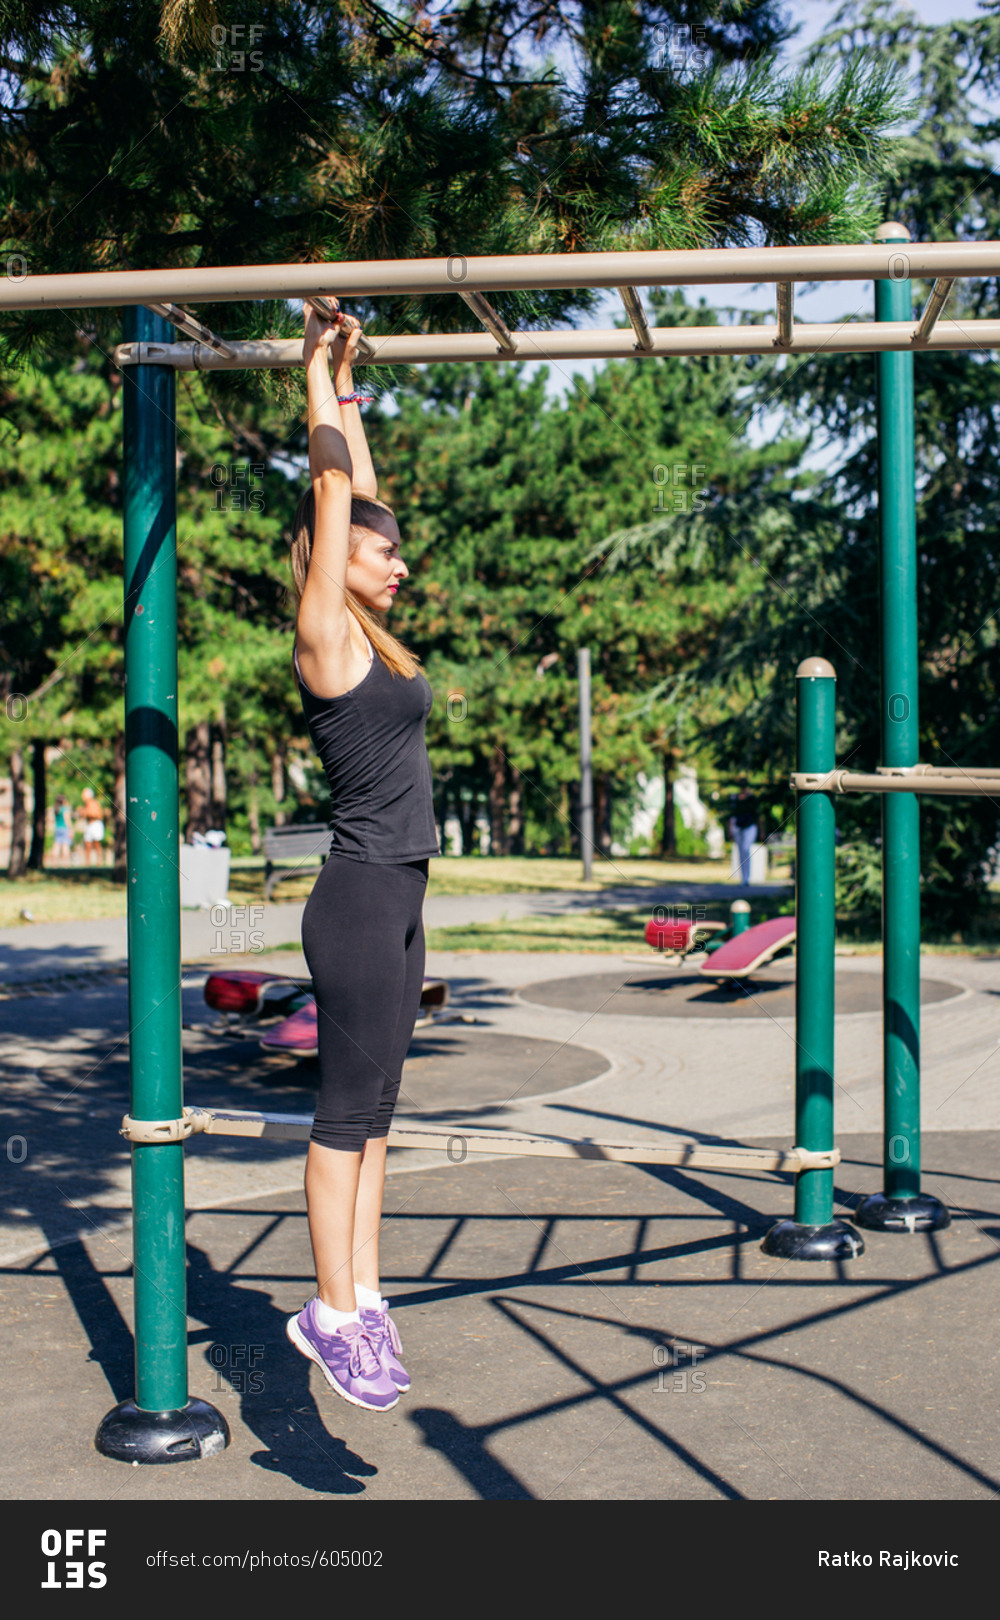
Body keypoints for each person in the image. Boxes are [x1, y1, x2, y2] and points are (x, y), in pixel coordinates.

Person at [284, 303, 439, 1413]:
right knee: (344, 1117)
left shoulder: (372, 636)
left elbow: (363, 491)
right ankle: (328, 1313)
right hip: (356, 898)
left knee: (379, 1112)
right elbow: (337, 498)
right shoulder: (325, 635)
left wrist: (347, 377)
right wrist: (307, 369)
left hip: (402, 894)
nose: (400, 565)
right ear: (338, 564)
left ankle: (365, 1296)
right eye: (384, 557)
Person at [727, 777, 759, 886]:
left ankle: (746, 878)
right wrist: (730, 829)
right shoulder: (735, 799)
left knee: (746, 849)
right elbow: (731, 815)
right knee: (741, 853)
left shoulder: (752, 799)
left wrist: (762, 830)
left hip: (749, 827)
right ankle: (743, 878)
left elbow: (757, 815)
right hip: (738, 827)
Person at [80, 787, 106, 867]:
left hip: (96, 824)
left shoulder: (94, 803)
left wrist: (88, 813)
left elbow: (99, 815)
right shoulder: (86, 805)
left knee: (96, 843)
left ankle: (99, 861)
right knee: (87, 844)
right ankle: (87, 863)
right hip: (89, 825)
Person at [51, 794, 74, 866]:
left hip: (57, 829)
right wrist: (71, 829)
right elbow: (67, 820)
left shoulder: (56, 809)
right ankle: (65, 864)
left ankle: (55, 864)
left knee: (56, 847)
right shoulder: (64, 809)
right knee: (65, 847)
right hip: (64, 829)